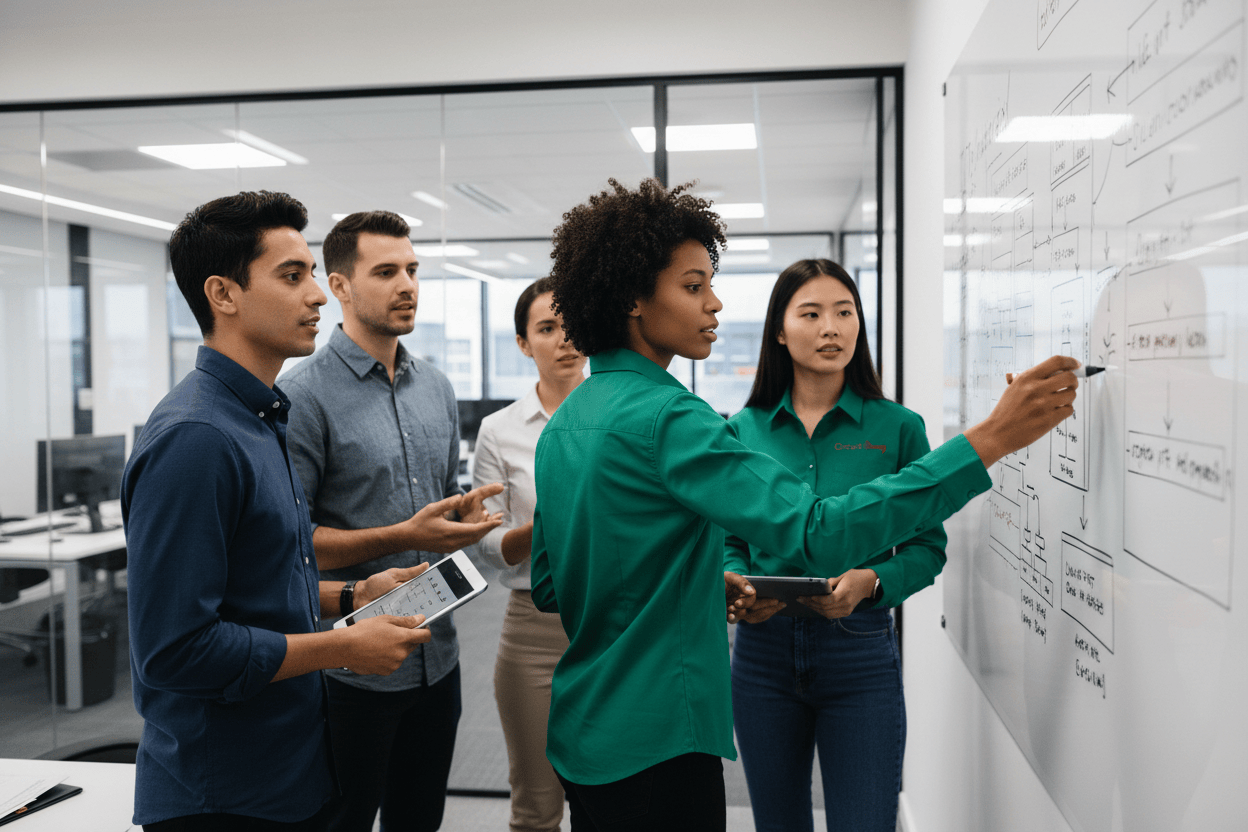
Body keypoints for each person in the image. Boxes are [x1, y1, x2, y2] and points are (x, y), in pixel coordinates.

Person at [527, 178, 1079, 832]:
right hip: (658, 741)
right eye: (694, 285)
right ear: (631, 299)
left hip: (584, 734)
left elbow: (550, 583)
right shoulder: (672, 417)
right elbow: (818, 532)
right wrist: (988, 440)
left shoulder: (568, 419)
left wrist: (703, 581)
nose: (715, 303)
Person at [124, 191, 438, 831]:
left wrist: (352, 595)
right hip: (227, 795)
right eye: (292, 277)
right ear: (223, 294)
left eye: (313, 277)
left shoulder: (258, 418)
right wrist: (340, 646)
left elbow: (260, 581)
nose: (319, 297)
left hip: (290, 768)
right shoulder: (197, 439)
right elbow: (176, 651)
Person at [282, 210, 503, 832]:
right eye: (386, 272)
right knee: (342, 820)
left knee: (419, 819)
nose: (407, 284)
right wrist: (406, 535)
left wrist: (464, 512)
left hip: (439, 653)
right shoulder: (303, 398)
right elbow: (292, 550)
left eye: (411, 269)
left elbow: (440, 494)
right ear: (342, 287)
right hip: (351, 665)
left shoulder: (434, 386)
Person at [725, 258, 940, 832]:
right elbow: (725, 540)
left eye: (845, 313)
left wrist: (873, 582)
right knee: (777, 822)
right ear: (779, 329)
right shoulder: (740, 433)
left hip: (860, 650)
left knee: (866, 821)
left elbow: (928, 547)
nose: (832, 328)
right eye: (812, 313)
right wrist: (738, 585)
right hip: (761, 653)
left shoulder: (898, 428)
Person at [469, 277, 585, 832]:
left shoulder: (622, 416)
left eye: (572, 324)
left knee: (610, 800)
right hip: (532, 628)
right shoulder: (499, 430)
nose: (565, 339)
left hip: (615, 624)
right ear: (522, 343)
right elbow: (489, 550)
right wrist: (545, 525)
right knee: (536, 806)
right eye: (547, 328)